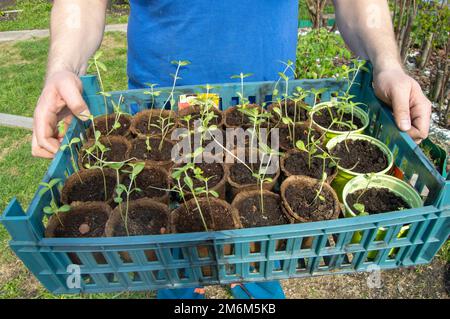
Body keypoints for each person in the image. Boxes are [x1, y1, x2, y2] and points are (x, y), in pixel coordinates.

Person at [31, 0, 432, 298]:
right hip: (162, 111)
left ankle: (253, 282)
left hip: (263, 114)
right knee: (175, 245)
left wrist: (387, 63)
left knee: (259, 238)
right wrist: (63, 65)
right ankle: (182, 288)